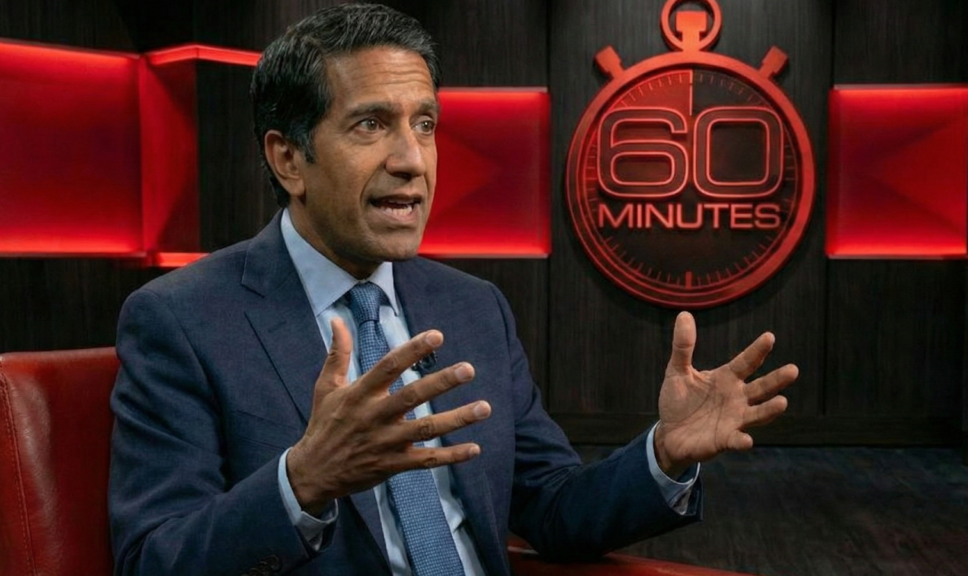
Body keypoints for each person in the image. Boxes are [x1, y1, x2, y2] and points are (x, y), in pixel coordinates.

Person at [108, 4, 797, 575]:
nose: (412, 160)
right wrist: (303, 482)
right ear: (289, 158)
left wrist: (664, 454)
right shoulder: (183, 320)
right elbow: (153, 560)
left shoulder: (472, 306)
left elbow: (553, 508)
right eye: (371, 124)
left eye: (425, 124)